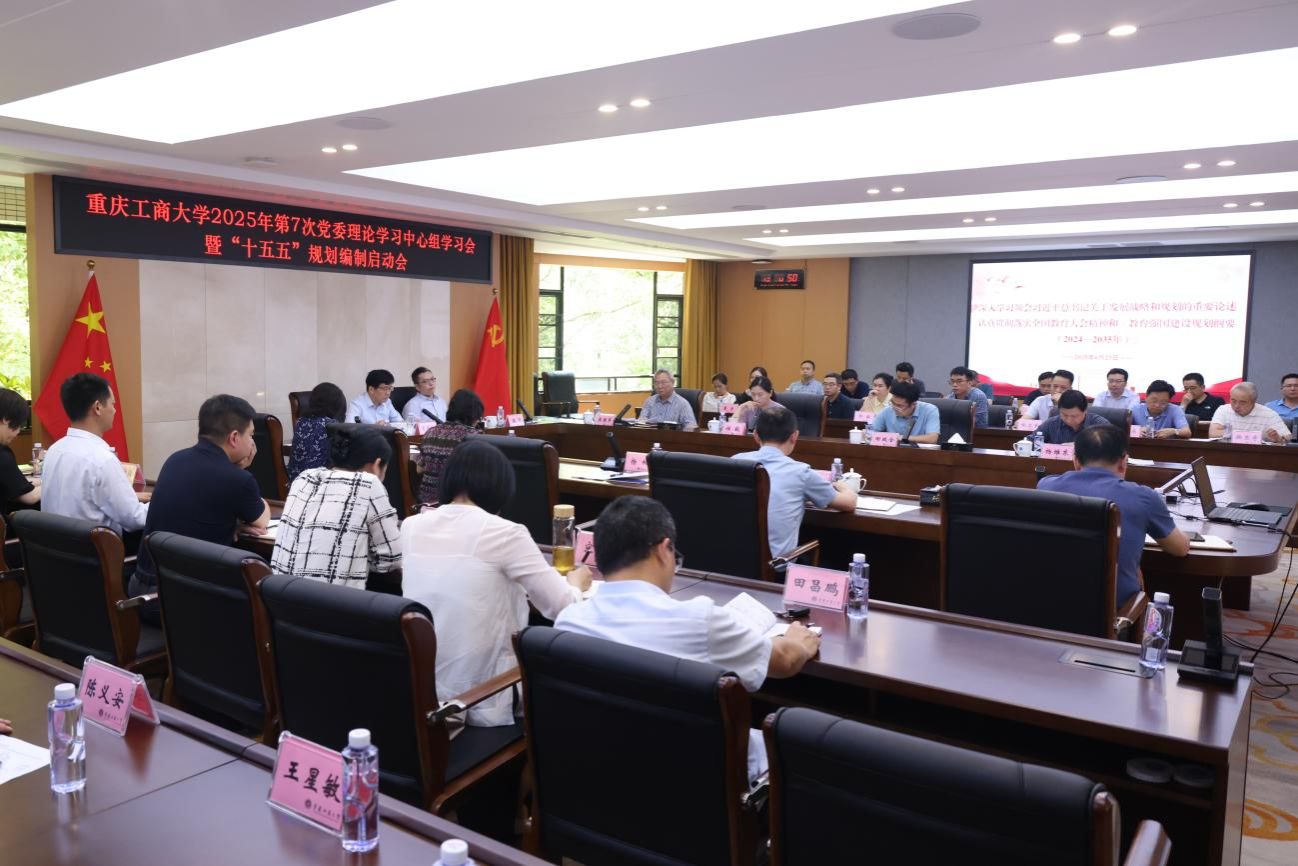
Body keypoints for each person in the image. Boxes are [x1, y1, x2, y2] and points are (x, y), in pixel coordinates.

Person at [554, 496, 821, 781]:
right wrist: (798, 640)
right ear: (663, 550)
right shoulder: (699, 620)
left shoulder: (568, 622)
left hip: (599, 776)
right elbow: (783, 662)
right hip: (701, 779)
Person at [402, 439, 591, 727]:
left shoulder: (412, 526)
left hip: (423, 694)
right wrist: (576, 584)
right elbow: (562, 606)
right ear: (500, 486)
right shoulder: (506, 533)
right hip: (482, 700)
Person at [130, 395, 270, 613]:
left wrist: (229, 524)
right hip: (182, 601)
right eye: (250, 435)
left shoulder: (174, 460)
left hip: (139, 592)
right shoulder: (237, 479)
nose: (253, 442)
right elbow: (261, 520)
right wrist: (240, 472)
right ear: (234, 437)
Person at [1039, 425, 1189, 609]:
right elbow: (1179, 548)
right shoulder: (1144, 497)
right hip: (1117, 612)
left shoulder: (1046, 486)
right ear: (1124, 461)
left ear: (1076, 461)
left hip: (1049, 606)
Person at [272, 425, 401, 589]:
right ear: (376, 465)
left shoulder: (304, 478)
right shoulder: (368, 483)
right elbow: (392, 558)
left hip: (280, 595)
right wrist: (357, 553)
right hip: (331, 600)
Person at [733, 406, 857, 559]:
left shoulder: (735, 461)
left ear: (756, 436)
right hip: (775, 566)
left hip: (730, 561)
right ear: (794, 436)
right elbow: (849, 503)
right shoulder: (800, 472)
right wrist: (844, 487)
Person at [40, 373, 149, 537]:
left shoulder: (53, 451)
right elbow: (134, 518)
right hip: (95, 550)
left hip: (56, 547)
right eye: (112, 404)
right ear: (97, 407)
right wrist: (162, 503)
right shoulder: (102, 460)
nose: (114, 410)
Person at [416, 389, 483, 506]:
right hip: (457, 504)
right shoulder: (474, 437)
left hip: (427, 503)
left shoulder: (430, 432)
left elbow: (419, 469)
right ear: (474, 415)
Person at [287, 381, 346, 481]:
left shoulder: (301, 422)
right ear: (336, 405)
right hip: (317, 485)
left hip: (295, 482)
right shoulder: (331, 425)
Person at [1208, 382, 1292, 443]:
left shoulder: (1268, 414)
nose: (1236, 406)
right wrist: (1248, 436)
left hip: (1258, 455)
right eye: (1233, 400)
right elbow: (1213, 433)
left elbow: (1288, 437)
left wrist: (1278, 438)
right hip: (1228, 453)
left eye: (1242, 402)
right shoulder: (1223, 410)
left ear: (1253, 401)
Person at [0, 388, 40, 509]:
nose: (18, 432)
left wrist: (44, 481)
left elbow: (14, 485)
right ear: (6, 419)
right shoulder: (2, 455)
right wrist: (58, 483)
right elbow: (29, 497)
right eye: (18, 425)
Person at [869, 380, 939, 444]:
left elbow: (932, 438)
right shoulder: (888, 410)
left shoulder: (930, 410)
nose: (895, 407)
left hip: (919, 452)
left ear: (913, 404)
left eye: (899, 405)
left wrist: (901, 438)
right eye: (893, 403)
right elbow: (870, 433)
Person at [1036, 389, 1112, 445]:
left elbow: (1113, 445)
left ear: (1085, 411)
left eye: (1074, 416)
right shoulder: (1051, 423)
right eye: (1065, 415)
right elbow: (1032, 442)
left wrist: (1081, 446)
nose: (1069, 420)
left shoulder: (1100, 424)